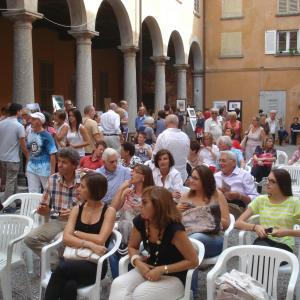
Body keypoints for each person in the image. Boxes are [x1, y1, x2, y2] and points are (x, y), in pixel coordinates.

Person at [109, 186, 199, 300]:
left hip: (174, 275)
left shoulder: (174, 229)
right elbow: (132, 246)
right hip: (149, 268)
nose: (140, 205)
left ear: (158, 206)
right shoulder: (141, 221)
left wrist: (162, 269)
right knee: (118, 284)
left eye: (145, 202)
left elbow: (193, 261)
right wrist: (137, 262)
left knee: (140, 295)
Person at [44, 172, 116, 300]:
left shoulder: (109, 211)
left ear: (93, 190)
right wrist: (89, 244)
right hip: (73, 258)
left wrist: (77, 234)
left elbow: (101, 239)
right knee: (69, 286)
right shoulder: (77, 209)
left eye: (82, 187)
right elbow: (66, 238)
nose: (78, 189)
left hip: (94, 265)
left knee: (60, 269)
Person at [178, 165, 230, 293]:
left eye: (195, 178)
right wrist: (176, 211)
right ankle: (181, 289)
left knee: (192, 241)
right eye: (191, 177)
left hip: (214, 238)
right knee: (187, 243)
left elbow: (226, 223)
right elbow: (177, 222)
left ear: (205, 181)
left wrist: (202, 215)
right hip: (189, 237)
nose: (191, 180)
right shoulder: (185, 197)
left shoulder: (217, 195)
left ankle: (191, 292)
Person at [24, 148, 81, 256]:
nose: (59, 165)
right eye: (59, 161)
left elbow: (93, 206)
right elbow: (45, 208)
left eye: (64, 162)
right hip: (59, 221)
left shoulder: (84, 179)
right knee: (30, 239)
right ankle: (54, 263)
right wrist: (43, 209)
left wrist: (75, 212)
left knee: (63, 242)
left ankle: (61, 266)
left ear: (74, 165)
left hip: (79, 222)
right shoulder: (53, 179)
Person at [235, 169, 300, 253]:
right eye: (268, 180)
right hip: (264, 240)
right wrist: (255, 227)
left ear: (282, 184)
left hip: (285, 244)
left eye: (272, 181)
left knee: (259, 259)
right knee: (258, 257)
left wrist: (287, 232)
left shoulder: (294, 202)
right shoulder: (261, 200)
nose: (267, 183)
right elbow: (238, 223)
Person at [110, 164, 154, 278]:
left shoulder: (150, 196)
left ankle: (126, 278)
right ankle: (118, 280)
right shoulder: (128, 192)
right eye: (132, 171)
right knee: (111, 250)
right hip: (122, 231)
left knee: (127, 255)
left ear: (143, 177)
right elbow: (113, 209)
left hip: (139, 234)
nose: (131, 173)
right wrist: (121, 189)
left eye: (135, 172)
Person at [214, 151, 258, 219]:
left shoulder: (244, 175)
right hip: (217, 204)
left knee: (214, 213)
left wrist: (239, 196)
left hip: (236, 206)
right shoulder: (216, 176)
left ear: (234, 162)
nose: (220, 163)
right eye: (219, 161)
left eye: (223, 161)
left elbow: (255, 197)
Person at [0, 103, 28, 201]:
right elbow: (23, 146)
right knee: (10, 183)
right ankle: (5, 205)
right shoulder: (18, 126)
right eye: (21, 110)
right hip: (12, 159)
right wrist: (28, 158)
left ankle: (15, 200)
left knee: (12, 180)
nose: (22, 112)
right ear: (17, 112)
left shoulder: (1, 123)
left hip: (2, 158)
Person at [26, 112, 57, 193]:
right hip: (31, 167)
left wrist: (52, 173)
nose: (31, 121)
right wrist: (27, 166)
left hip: (45, 168)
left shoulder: (47, 136)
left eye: (33, 119)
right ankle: (34, 206)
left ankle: (47, 206)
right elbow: (29, 152)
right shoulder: (31, 134)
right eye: (31, 119)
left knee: (48, 191)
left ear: (40, 121)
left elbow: (52, 154)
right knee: (32, 191)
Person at [153, 114, 190, 182]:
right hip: (182, 174)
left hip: (167, 175)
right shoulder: (185, 136)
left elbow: (155, 156)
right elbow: (188, 155)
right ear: (177, 123)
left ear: (166, 123)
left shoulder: (163, 136)